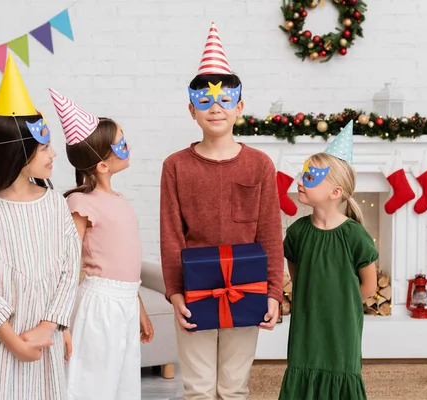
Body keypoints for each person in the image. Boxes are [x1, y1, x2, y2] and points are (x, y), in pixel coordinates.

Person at [160, 22, 284, 399]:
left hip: (246, 287)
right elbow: (170, 233)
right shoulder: (176, 166)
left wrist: (274, 292)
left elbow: (269, 232)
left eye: (225, 100)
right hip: (195, 290)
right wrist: (175, 292)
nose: (215, 108)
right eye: (205, 102)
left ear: (240, 107)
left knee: (234, 385)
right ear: (191, 110)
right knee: (198, 386)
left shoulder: (260, 164)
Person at [0, 54, 81, 400]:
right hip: (1, 345)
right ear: (18, 154)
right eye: (45, 147)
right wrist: (16, 343)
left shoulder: (54, 204)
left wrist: (51, 325)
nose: (54, 154)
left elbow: (70, 268)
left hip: (44, 339)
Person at [48, 88, 154, 400]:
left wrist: (140, 308)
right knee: (93, 381)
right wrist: (62, 322)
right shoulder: (81, 202)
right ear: (102, 166)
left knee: (123, 379)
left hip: (124, 303)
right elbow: (68, 264)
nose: (128, 146)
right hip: (99, 306)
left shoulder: (120, 200)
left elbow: (128, 267)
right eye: (121, 144)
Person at [278, 122, 379, 400]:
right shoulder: (298, 232)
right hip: (307, 324)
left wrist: (338, 306)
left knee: (339, 370)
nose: (299, 181)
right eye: (303, 174)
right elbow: (298, 276)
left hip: (341, 326)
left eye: (310, 177)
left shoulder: (355, 235)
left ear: (334, 192)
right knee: (303, 366)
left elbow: (368, 287)